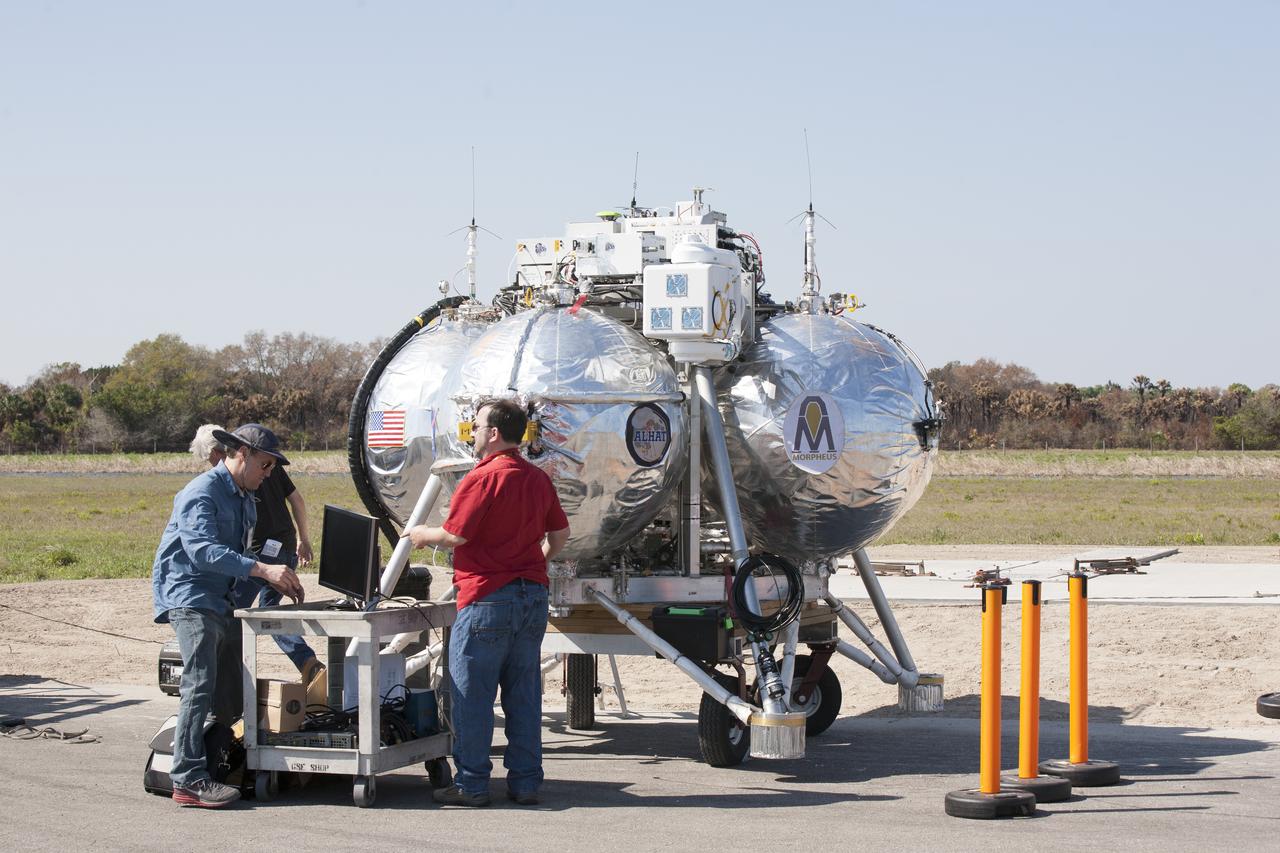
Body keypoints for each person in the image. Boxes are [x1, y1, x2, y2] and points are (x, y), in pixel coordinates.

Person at [407, 398, 569, 807]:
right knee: (523, 693)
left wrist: (424, 534)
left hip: (486, 598)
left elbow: (457, 536)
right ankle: (526, 782)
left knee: (471, 696)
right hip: (531, 597)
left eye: (476, 425)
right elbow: (561, 535)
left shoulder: (482, 478)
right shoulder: (537, 478)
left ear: (494, 433)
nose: (473, 431)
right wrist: (534, 564)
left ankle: (472, 784)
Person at [154, 423, 304, 808]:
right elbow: (202, 551)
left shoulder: (244, 497)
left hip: (221, 597)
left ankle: (224, 761)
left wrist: (274, 581)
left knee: (233, 690)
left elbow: (239, 557)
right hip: (190, 595)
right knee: (200, 683)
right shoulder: (201, 492)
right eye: (265, 466)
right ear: (241, 454)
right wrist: (263, 570)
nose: (268, 475)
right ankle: (187, 778)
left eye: (272, 468)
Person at [191, 424, 320, 680]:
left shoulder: (256, 470)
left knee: (233, 614)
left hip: (260, 555)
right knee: (269, 612)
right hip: (283, 547)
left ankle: (231, 680)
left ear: (225, 451)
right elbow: (297, 500)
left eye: (211, 458)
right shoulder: (259, 467)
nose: (268, 472)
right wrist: (303, 539)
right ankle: (308, 664)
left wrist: (261, 567)